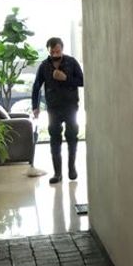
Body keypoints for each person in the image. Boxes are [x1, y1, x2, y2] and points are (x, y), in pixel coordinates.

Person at [32, 37, 84, 184]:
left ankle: (72, 168)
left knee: (72, 136)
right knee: (54, 138)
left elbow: (82, 81)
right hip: (53, 108)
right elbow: (36, 86)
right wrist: (35, 106)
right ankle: (57, 173)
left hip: (70, 106)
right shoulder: (44, 66)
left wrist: (66, 78)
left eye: (58, 51)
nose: (55, 54)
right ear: (48, 51)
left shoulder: (71, 62)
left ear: (62, 49)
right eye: (52, 52)